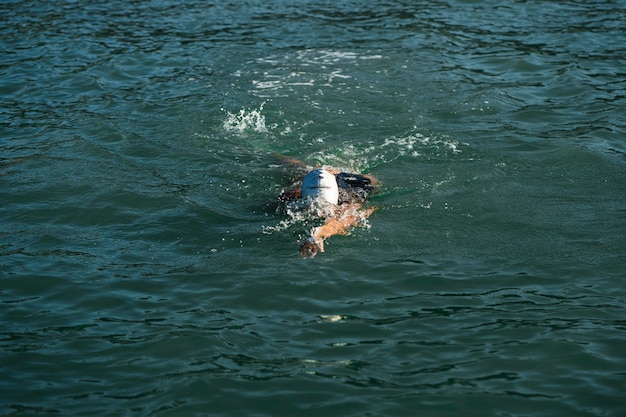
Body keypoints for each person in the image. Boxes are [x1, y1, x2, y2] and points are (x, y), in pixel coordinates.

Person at [277, 157, 378, 258]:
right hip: (315, 178)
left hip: (342, 181)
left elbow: (337, 224)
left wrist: (315, 237)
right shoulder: (292, 195)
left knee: (372, 181)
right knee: (297, 169)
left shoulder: (348, 203)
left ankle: (329, 171)